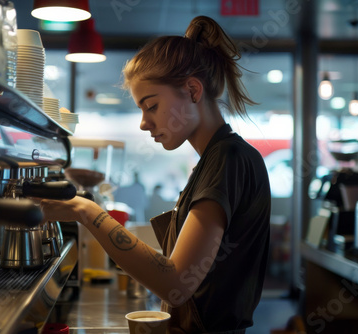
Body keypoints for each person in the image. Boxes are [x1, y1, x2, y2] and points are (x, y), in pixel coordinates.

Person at [41, 15, 271, 334]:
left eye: (151, 106)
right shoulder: (214, 160)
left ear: (192, 90)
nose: (143, 123)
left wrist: (85, 210)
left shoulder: (228, 159)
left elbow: (175, 282)